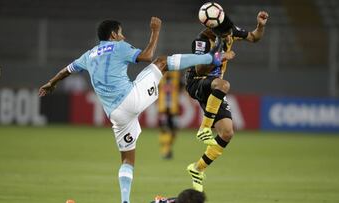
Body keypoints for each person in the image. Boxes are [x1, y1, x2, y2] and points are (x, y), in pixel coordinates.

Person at [38, 17, 235, 203]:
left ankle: (125, 200)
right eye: (121, 33)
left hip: (115, 114)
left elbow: (67, 70)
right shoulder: (118, 46)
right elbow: (147, 56)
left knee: (127, 159)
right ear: (114, 35)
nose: (123, 36)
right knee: (162, 61)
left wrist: (50, 83)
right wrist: (155, 31)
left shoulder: (88, 55)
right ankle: (213, 58)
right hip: (131, 99)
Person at [185, 11, 269, 192]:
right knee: (223, 84)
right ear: (210, 28)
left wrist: (260, 26)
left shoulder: (229, 30)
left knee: (227, 133)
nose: (227, 35)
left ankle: (198, 168)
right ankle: (204, 128)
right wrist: (220, 57)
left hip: (214, 89)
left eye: (227, 31)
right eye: (222, 32)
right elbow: (199, 69)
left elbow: (254, 38)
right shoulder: (201, 41)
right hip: (196, 83)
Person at [157, 71, 183, 159]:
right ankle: (165, 151)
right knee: (164, 130)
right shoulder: (160, 79)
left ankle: (168, 149)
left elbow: (183, 87)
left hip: (173, 110)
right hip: (163, 109)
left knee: (174, 131)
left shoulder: (176, 79)